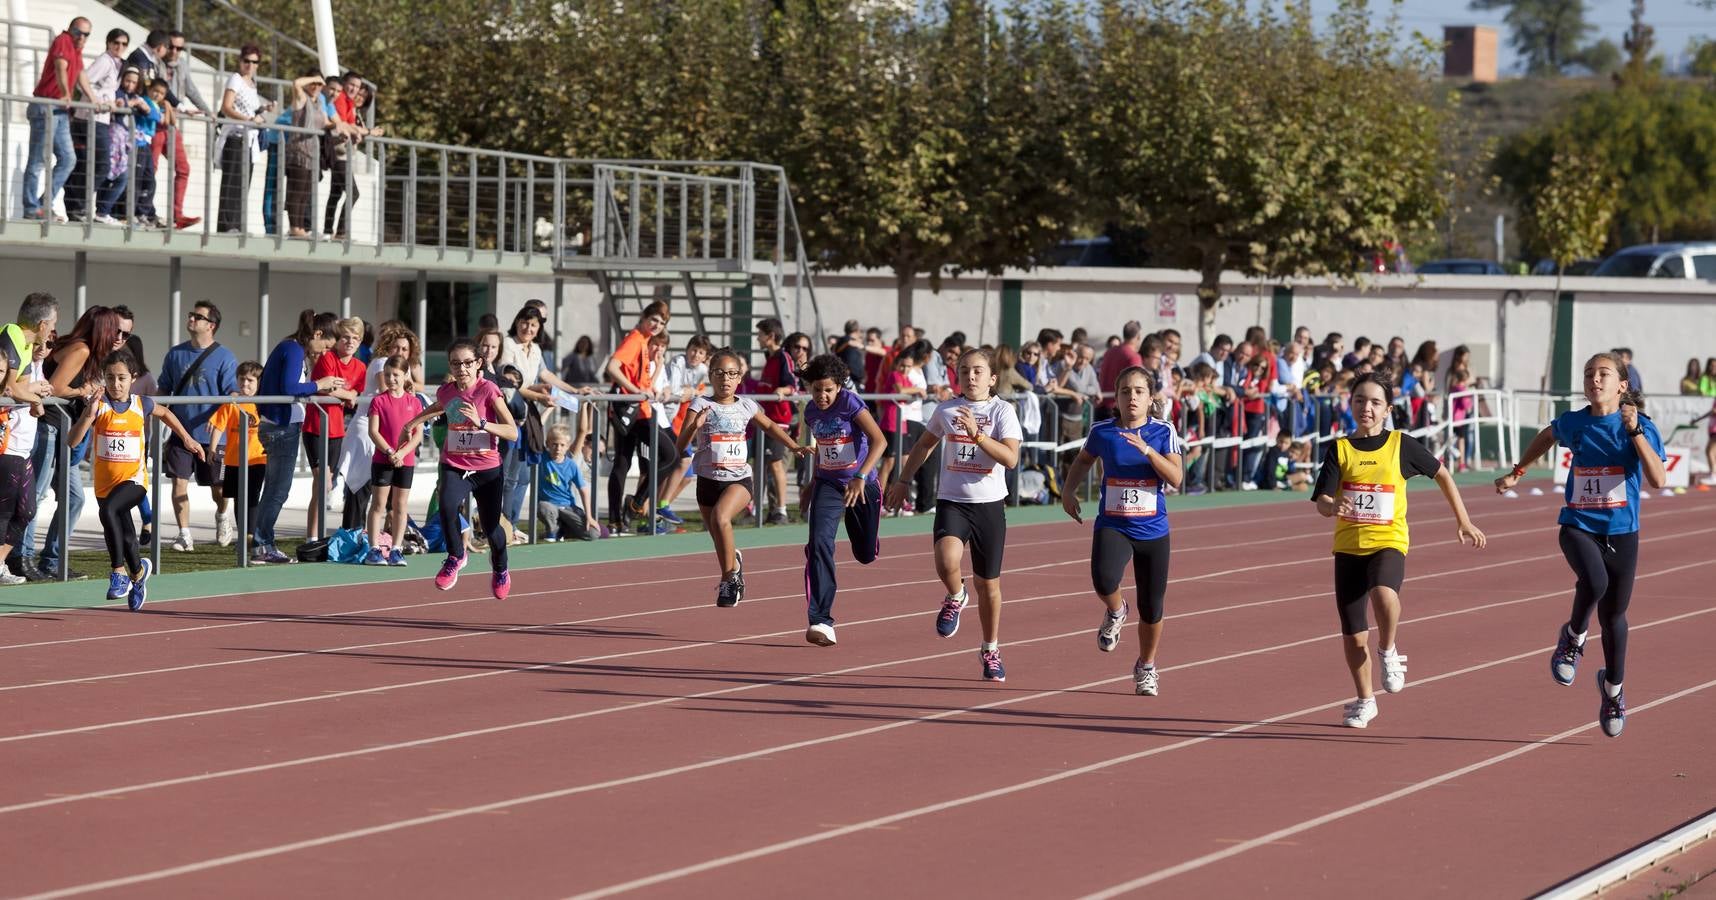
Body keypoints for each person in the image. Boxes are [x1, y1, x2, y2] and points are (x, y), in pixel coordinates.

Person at [1495, 352, 1667, 738]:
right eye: (1589, 374)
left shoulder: (1641, 426)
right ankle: (1572, 638)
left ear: (1622, 385)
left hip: (1622, 532)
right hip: (1578, 524)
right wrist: (1518, 472)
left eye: (1603, 374)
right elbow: (1547, 435)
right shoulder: (1574, 423)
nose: (1594, 379)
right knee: (1595, 581)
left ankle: (1613, 691)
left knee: (1614, 620)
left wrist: (1635, 432)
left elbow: (1657, 480)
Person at [1314, 372, 1486, 728]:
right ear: (1351, 404)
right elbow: (1323, 500)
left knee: (1383, 593)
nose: (1367, 408)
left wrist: (1464, 520)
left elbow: (1442, 474)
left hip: (1389, 541)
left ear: (1387, 409)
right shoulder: (1340, 449)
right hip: (1348, 546)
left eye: (1375, 402)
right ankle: (1365, 700)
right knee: (1353, 632)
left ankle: (1388, 649)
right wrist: (1334, 507)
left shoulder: (1400, 445)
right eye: (1360, 400)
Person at [885, 348, 1023, 681]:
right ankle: (955, 594)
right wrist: (903, 480)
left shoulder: (1003, 411)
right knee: (947, 561)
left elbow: (1010, 458)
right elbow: (923, 446)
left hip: (989, 506)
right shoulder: (946, 410)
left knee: (988, 585)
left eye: (978, 371)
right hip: (953, 501)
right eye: (964, 371)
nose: (970, 376)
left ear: (992, 378)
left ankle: (990, 648)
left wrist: (977, 433)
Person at [1061, 366, 1184, 695]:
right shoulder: (1103, 432)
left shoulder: (1163, 432)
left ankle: (1146, 666)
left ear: (1150, 398)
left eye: (1139, 392)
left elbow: (1175, 478)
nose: (1132, 397)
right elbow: (1083, 461)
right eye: (1125, 392)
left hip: (1153, 530)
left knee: (1152, 606)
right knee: (1103, 579)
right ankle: (1116, 609)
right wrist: (1068, 491)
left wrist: (1147, 451)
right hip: (1113, 523)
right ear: (1116, 398)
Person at [69, 349, 202, 611]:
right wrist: (88, 412)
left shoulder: (142, 404)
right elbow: (72, 441)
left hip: (135, 481)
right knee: (126, 535)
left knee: (109, 511)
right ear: (103, 379)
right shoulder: (99, 406)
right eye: (110, 378)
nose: (115, 384)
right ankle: (138, 574)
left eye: (121, 378)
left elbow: (165, 413)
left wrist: (186, 438)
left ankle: (118, 572)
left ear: (133, 378)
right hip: (105, 483)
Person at [676, 347, 808, 607]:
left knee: (720, 517)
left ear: (740, 378)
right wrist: (695, 426)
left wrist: (793, 446)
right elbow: (681, 444)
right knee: (717, 534)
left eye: (732, 373)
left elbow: (769, 425)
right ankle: (734, 563)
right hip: (708, 481)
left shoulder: (747, 404)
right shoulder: (701, 404)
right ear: (711, 376)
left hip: (739, 479)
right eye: (720, 373)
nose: (726, 379)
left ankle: (729, 580)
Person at [397, 339, 519, 598]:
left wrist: (482, 422)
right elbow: (440, 405)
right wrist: (413, 421)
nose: (461, 368)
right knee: (448, 507)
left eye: (467, 363)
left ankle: (500, 568)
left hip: (487, 470)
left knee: (491, 529)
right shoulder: (447, 391)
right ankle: (456, 556)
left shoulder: (489, 390)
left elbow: (512, 432)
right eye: (455, 363)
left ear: (478, 364)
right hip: (454, 463)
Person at [798, 354, 888, 647]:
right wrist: (812, 483)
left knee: (864, 554)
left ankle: (868, 540)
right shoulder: (810, 412)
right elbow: (824, 449)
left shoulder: (850, 403)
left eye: (828, 390)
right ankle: (821, 620)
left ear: (838, 387)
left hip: (863, 485)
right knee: (819, 544)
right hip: (829, 484)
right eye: (816, 390)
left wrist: (861, 476)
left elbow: (880, 441)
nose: (822, 396)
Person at [254, 310, 346, 564]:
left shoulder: (292, 348)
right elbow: (289, 388)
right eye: (325, 345)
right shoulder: (294, 349)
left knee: (274, 489)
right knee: (277, 491)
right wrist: (321, 383)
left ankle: (262, 544)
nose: (324, 352)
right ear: (317, 334)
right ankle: (262, 545)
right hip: (281, 427)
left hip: (279, 424)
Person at [159, 301, 238, 549]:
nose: (191, 319)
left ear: (211, 325)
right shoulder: (175, 354)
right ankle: (184, 533)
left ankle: (223, 515)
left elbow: (232, 393)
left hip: (213, 436)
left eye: (198, 316)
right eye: (191, 315)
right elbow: (164, 388)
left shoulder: (225, 357)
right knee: (178, 481)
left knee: (219, 488)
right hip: (180, 432)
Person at [605, 303, 678, 532]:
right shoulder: (635, 339)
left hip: (639, 409)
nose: (657, 325)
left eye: (662, 322)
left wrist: (649, 384)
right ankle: (628, 510)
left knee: (625, 462)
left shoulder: (644, 341)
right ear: (644, 317)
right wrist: (635, 392)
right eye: (654, 319)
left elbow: (641, 380)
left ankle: (624, 514)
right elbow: (612, 367)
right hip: (632, 410)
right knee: (668, 456)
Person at [23, 19, 99, 222]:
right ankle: (32, 208)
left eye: (86, 34)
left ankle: (43, 204)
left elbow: (81, 74)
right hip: (47, 106)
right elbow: (60, 67)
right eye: (78, 32)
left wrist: (94, 100)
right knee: (37, 160)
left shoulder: (76, 48)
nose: (81, 37)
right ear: (70, 29)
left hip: (59, 111)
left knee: (68, 159)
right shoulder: (64, 40)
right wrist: (66, 93)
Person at [304, 317, 364, 538]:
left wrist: (352, 394)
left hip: (337, 430)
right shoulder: (328, 359)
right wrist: (347, 394)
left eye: (355, 338)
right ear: (338, 339)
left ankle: (315, 537)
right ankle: (312, 538)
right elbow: (323, 389)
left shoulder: (360, 367)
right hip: (316, 426)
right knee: (323, 483)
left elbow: (357, 392)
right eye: (345, 337)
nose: (349, 342)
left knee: (324, 487)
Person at [364, 356, 423, 566]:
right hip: (383, 459)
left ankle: (396, 549)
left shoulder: (414, 402)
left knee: (400, 506)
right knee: (379, 504)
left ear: (405, 375)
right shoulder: (378, 401)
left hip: (405, 462)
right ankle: (373, 549)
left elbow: (417, 434)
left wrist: (402, 453)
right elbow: (373, 431)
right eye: (387, 374)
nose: (391, 379)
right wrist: (390, 452)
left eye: (395, 375)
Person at [66, 28, 128, 221]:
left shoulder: (116, 63)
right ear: (108, 43)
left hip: (99, 119)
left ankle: (76, 207)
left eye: (124, 44)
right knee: (101, 165)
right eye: (116, 43)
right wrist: (100, 101)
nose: (119, 47)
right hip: (91, 118)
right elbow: (83, 79)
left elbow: (104, 87)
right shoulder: (105, 60)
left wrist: (113, 101)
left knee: (87, 164)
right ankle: (79, 205)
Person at [206, 362, 267, 546]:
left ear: (258, 382)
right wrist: (212, 448)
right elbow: (218, 425)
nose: (245, 384)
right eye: (242, 379)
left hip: (258, 459)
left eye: (250, 380)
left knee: (253, 496)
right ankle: (243, 534)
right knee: (238, 498)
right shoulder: (231, 403)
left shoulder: (262, 404)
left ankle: (250, 534)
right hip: (234, 460)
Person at [653, 334, 712, 525]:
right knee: (677, 463)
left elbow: (698, 393)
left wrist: (692, 392)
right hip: (665, 417)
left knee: (686, 474)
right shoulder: (678, 361)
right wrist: (691, 392)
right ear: (687, 349)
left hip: (677, 423)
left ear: (705, 356)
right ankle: (655, 508)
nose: (695, 354)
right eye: (693, 349)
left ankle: (661, 508)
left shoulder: (702, 370)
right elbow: (678, 392)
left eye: (700, 352)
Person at [0, 348, 45, 586]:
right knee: (4, 512)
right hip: (7, 454)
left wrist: (34, 396)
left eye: (1, 371)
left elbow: (38, 409)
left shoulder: (16, 389)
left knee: (27, 511)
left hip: (23, 453)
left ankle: (0, 561)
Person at [216, 45, 268, 233]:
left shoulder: (253, 84)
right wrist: (249, 120)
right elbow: (227, 107)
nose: (250, 65)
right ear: (240, 61)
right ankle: (227, 225)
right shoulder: (236, 79)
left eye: (254, 62)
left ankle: (238, 224)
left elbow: (250, 109)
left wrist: (264, 109)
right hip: (236, 136)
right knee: (232, 183)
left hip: (249, 140)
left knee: (244, 183)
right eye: (247, 61)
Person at [751, 318, 798, 524]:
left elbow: (792, 384)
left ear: (770, 336)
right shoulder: (768, 358)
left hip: (778, 420)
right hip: (764, 418)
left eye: (760, 334)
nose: (757, 338)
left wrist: (782, 390)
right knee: (760, 466)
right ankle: (755, 510)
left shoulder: (783, 357)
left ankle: (781, 510)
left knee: (776, 464)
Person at [537, 423, 596, 541]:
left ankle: (563, 530)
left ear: (567, 446)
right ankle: (552, 531)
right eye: (554, 444)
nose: (558, 448)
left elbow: (583, 490)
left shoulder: (571, 465)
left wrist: (589, 516)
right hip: (549, 505)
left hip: (568, 507)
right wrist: (549, 408)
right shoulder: (542, 457)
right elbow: (537, 427)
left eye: (562, 445)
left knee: (593, 534)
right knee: (544, 507)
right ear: (548, 443)